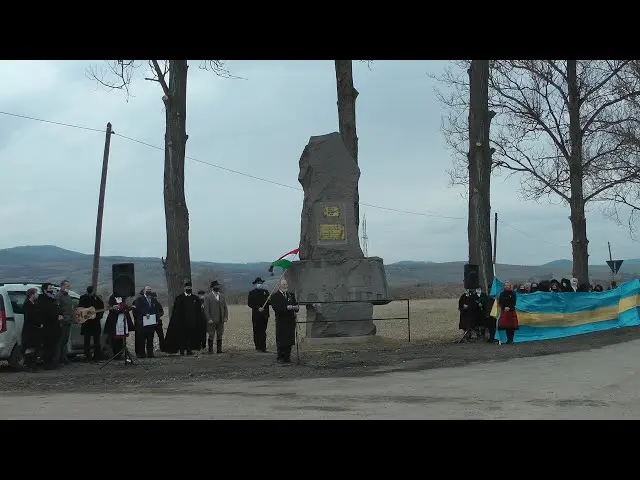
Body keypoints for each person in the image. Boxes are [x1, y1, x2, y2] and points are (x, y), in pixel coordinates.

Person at [164, 281, 203, 356]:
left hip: (192, 322)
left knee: (190, 336)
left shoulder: (195, 298)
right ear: (184, 288)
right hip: (182, 322)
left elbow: (198, 311)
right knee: (182, 336)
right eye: (187, 288)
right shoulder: (179, 298)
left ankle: (189, 350)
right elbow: (176, 311)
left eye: (190, 288)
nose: (189, 289)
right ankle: (181, 350)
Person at [269, 278, 299, 364]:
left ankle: (287, 357)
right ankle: (280, 357)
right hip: (281, 321)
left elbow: (295, 304)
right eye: (283, 285)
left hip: (290, 320)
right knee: (281, 339)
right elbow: (276, 308)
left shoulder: (291, 295)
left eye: (286, 284)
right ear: (279, 286)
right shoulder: (275, 296)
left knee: (289, 339)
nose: (285, 286)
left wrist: (296, 308)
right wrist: (286, 308)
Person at [103, 293, 135, 362]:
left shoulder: (123, 297)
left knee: (121, 338)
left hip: (122, 319)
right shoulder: (112, 297)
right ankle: (115, 354)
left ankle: (120, 353)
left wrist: (129, 308)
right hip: (115, 320)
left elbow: (125, 307)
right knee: (115, 338)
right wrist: (119, 309)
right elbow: (111, 308)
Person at [134, 286, 164, 358]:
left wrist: (157, 319)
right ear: (144, 291)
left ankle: (150, 353)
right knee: (142, 339)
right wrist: (144, 314)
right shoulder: (139, 299)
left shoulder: (153, 300)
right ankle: (141, 354)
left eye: (150, 289)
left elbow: (157, 310)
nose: (149, 291)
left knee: (150, 338)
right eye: (147, 289)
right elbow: (137, 309)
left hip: (151, 322)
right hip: (142, 322)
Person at [38, 283, 62, 370]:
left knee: (53, 346)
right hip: (48, 327)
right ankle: (47, 363)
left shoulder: (52, 299)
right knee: (48, 346)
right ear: (45, 290)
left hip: (54, 326)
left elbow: (56, 309)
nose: (51, 290)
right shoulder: (43, 300)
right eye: (49, 288)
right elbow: (47, 312)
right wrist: (56, 316)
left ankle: (52, 362)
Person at [78, 286, 105, 361]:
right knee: (87, 340)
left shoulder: (97, 299)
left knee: (96, 340)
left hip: (95, 322)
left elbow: (101, 309)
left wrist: (98, 317)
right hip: (86, 322)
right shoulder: (83, 298)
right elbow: (80, 309)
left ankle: (97, 355)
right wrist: (85, 316)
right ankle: (87, 356)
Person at [203, 281, 229, 354]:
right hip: (212, 320)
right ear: (212, 288)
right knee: (211, 335)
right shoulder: (208, 297)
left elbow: (225, 307)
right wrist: (209, 319)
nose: (217, 288)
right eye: (215, 286)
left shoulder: (222, 296)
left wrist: (225, 317)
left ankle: (219, 350)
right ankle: (210, 350)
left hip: (221, 320)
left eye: (218, 286)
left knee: (220, 334)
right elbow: (206, 309)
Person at [22, 288, 43, 372]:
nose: (37, 295)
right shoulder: (28, 305)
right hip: (30, 329)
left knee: (34, 347)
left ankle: (31, 364)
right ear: (32, 294)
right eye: (36, 293)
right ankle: (28, 364)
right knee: (29, 347)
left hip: (35, 329)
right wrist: (38, 323)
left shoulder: (34, 304)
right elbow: (30, 317)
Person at [247, 277, 270, 352]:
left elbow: (269, 303)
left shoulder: (266, 292)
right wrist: (257, 308)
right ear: (255, 284)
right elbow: (249, 304)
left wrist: (270, 299)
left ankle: (263, 347)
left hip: (264, 315)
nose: (259, 284)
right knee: (256, 331)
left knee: (263, 331)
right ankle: (258, 347)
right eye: (258, 283)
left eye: (260, 283)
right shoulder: (252, 293)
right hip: (256, 315)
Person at [55, 280, 74, 365]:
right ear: (62, 286)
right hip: (62, 321)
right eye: (67, 286)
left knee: (65, 340)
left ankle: (64, 357)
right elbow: (57, 308)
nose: (68, 288)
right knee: (61, 340)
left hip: (68, 320)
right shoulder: (58, 296)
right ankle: (59, 358)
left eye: (68, 286)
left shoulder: (68, 296)